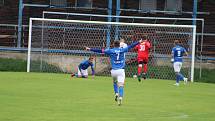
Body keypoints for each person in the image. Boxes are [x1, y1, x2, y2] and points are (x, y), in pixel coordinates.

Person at [85, 39, 142, 106]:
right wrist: (139, 42)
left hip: (114, 71)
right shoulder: (122, 50)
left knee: (115, 82)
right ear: (119, 45)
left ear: (114, 45)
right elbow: (131, 46)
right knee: (121, 85)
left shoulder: (110, 51)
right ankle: (120, 98)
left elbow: (100, 51)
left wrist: (90, 49)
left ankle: (116, 93)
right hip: (121, 70)